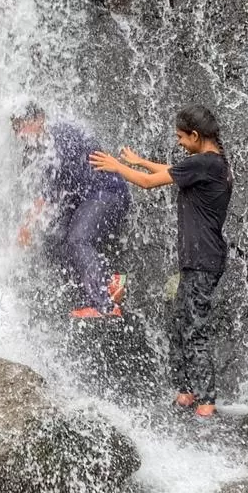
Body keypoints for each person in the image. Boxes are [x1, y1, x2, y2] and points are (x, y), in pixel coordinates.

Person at [90, 104, 232, 418]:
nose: (179, 142)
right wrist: (140, 161)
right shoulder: (210, 163)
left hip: (204, 260)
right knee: (179, 324)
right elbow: (171, 171)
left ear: (195, 135)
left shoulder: (205, 163)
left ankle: (206, 401)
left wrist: (116, 166)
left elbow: (147, 183)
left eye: (181, 137)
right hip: (198, 259)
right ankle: (186, 391)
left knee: (194, 329)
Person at [13, 108, 130, 318]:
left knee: (78, 239)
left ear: (39, 119)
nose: (19, 134)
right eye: (15, 129)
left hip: (107, 193)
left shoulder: (59, 137)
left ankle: (104, 305)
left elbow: (47, 195)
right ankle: (110, 282)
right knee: (58, 239)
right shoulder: (44, 144)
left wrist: (26, 227)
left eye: (22, 126)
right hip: (86, 199)